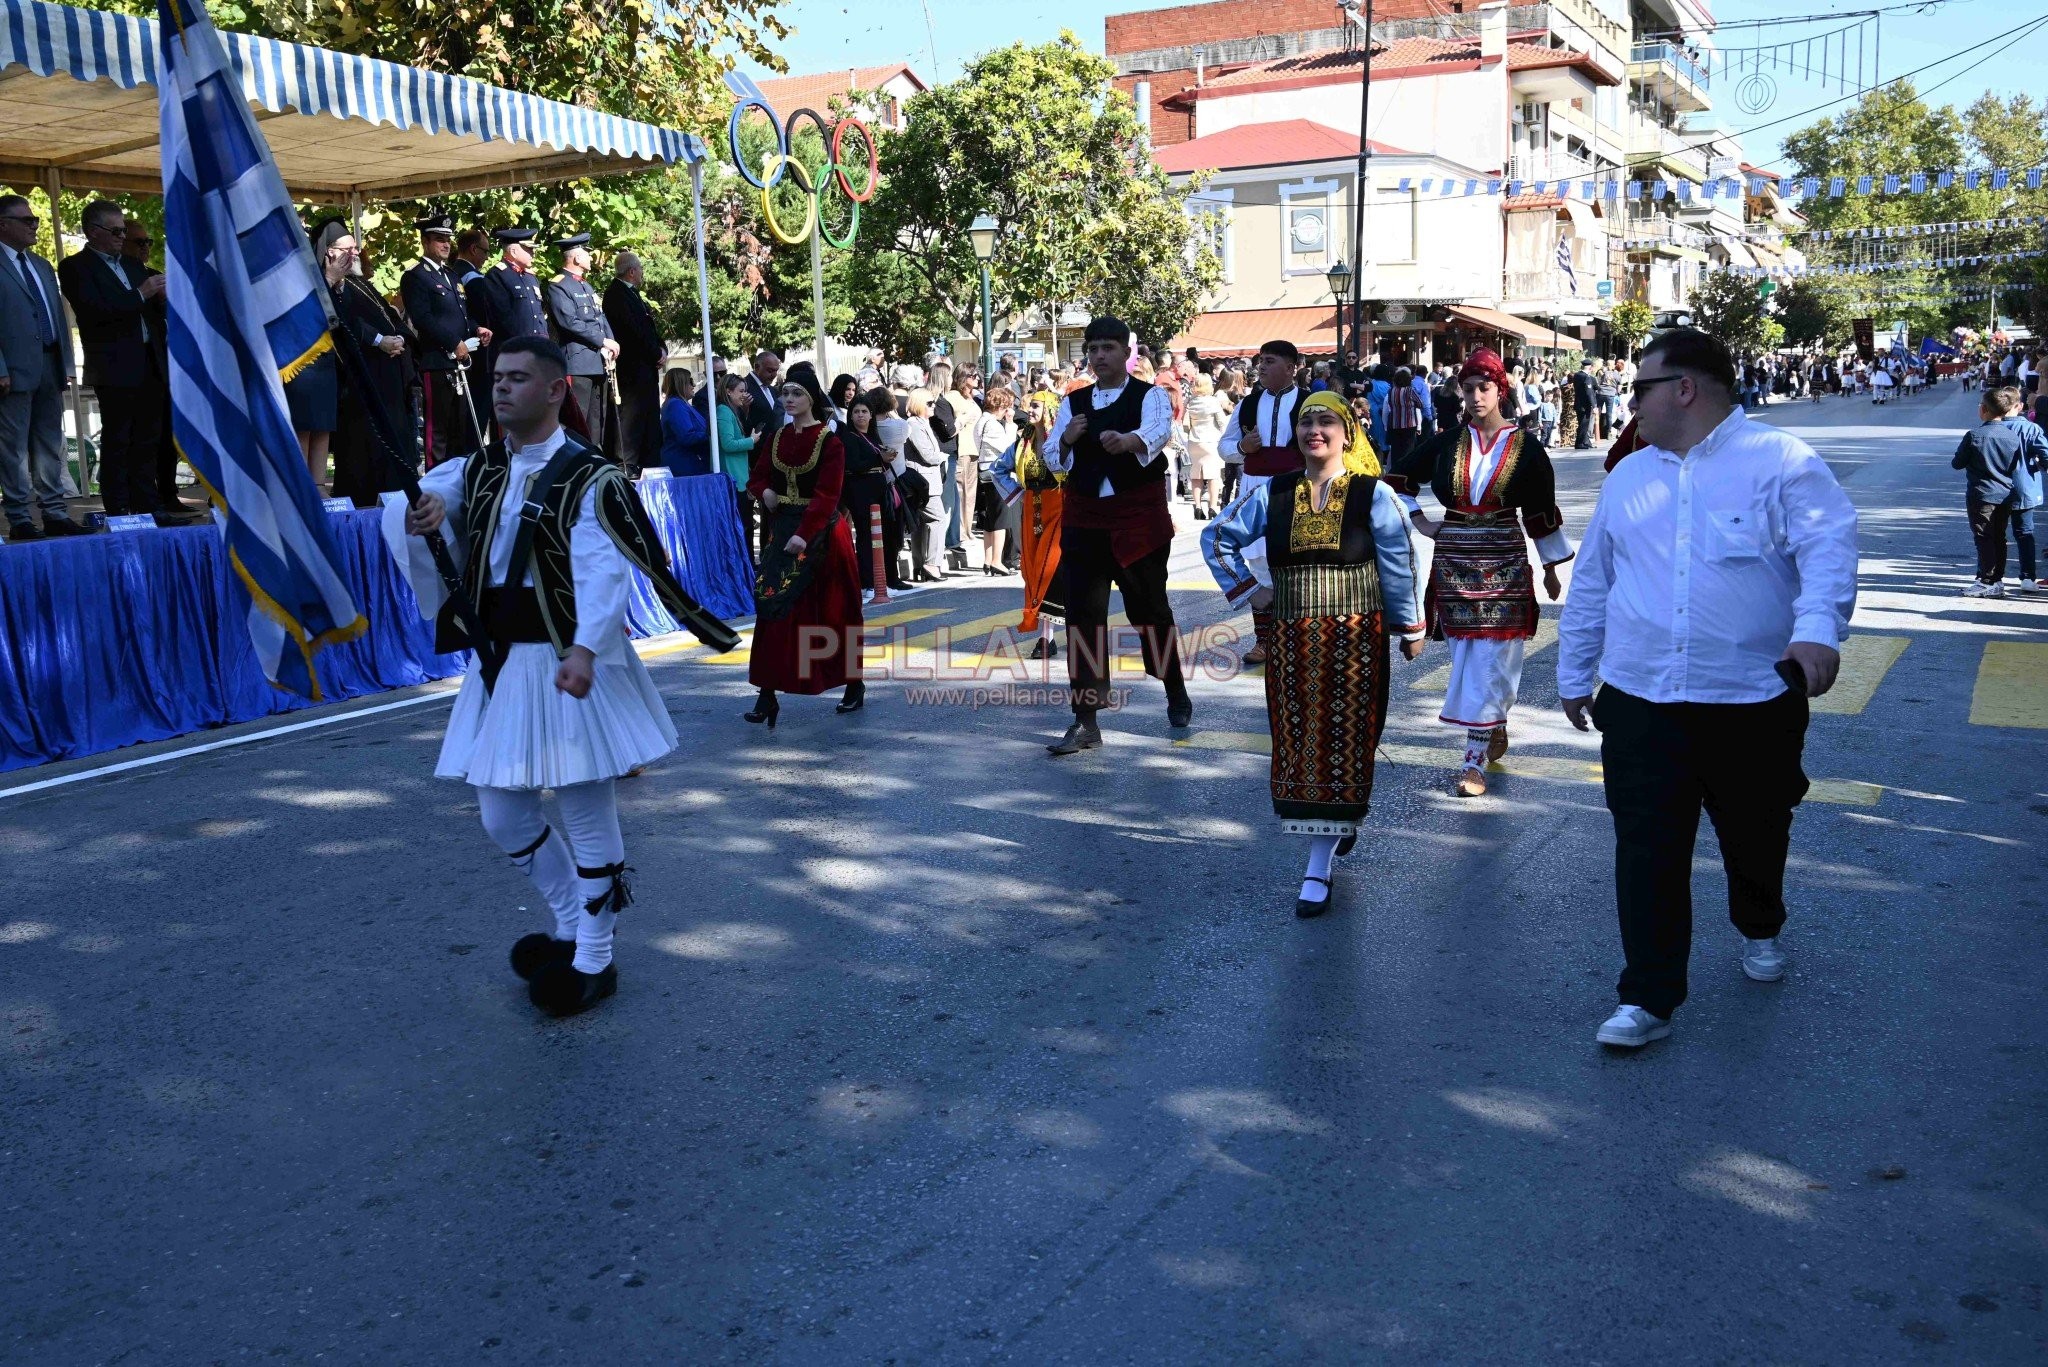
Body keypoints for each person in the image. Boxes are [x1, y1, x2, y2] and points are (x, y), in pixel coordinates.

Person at [384, 335, 721, 1018]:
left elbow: (604, 569)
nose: (502, 387)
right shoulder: (477, 469)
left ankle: (595, 956)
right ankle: (570, 918)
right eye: (497, 377)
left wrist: (589, 649)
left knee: (583, 804)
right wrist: (426, 515)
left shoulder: (589, 475)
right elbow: (429, 500)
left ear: (556, 389)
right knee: (501, 809)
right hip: (503, 663)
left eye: (517, 378)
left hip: (568, 658)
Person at [1557, 327, 1859, 1050]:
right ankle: (1648, 996)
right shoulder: (1630, 475)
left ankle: (1760, 922)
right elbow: (1594, 580)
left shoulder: (1781, 462)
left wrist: (1818, 627)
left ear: (1683, 389)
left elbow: (1829, 544)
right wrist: (1574, 670)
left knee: (1756, 833)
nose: (1630, 401)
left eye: (1641, 388)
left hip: (1751, 696)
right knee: (1646, 848)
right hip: (1640, 698)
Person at [1203, 390, 1427, 915]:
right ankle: (1319, 858)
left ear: (1347, 432)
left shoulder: (1373, 495)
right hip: (1293, 643)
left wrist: (1410, 626)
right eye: (1307, 422)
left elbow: (1399, 559)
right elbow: (1217, 537)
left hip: (1355, 643)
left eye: (1327, 421)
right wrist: (1248, 589)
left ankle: (1331, 837)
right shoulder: (1276, 493)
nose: (1315, 431)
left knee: (1349, 739)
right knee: (1303, 742)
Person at [1388, 348, 1572, 797]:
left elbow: (1541, 506)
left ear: (1500, 391)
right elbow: (1396, 481)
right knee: (1467, 659)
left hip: (1505, 562)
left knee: (1492, 659)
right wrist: (1420, 521)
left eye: (1483, 388)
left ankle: (1473, 763)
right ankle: (1492, 722)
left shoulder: (1526, 446)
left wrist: (1549, 566)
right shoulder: (1447, 441)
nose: (1474, 397)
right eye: (1467, 388)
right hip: (1454, 560)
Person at [1041, 315, 1194, 754]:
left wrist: (1130, 443)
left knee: (1151, 611)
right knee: (1081, 620)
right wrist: (1067, 440)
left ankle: (1175, 689)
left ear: (1128, 353)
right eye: (1093, 349)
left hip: (1137, 520)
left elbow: (1159, 431)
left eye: (1108, 348)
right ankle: (1085, 719)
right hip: (1085, 519)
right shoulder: (1074, 401)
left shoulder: (1150, 396)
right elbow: (1052, 455)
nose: (1100, 356)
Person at [743, 366, 865, 724]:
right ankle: (767, 694)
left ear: (811, 398)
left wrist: (804, 533)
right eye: (786, 394)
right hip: (783, 531)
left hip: (823, 535)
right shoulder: (777, 437)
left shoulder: (831, 442)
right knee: (773, 608)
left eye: (796, 394)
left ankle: (853, 684)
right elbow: (758, 476)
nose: (790, 400)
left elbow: (829, 494)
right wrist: (763, 490)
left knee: (834, 612)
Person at [59, 198, 167, 518]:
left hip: (150, 361)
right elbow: (94, 313)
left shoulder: (134, 266)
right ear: (93, 232)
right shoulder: (75, 267)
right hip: (115, 366)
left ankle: (148, 504)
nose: (122, 236)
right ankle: (118, 508)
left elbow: (150, 314)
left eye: (123, 230)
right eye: (116, 230)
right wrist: (141, 294)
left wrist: (163, 299)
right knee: (118, 440)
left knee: (148, 439)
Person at [1218, 340, 1310, 667]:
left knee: (1297, 563)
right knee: (1258, 565)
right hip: (1254, 488)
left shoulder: (1310, 402)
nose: (1262, 367)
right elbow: (1225, 447)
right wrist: (1242, 447)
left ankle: (1300, 639)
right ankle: (1264, 640)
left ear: (1292, 367)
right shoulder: (1248, 403)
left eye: (1270, 361)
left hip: (1297, 490)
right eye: (1261, 361)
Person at [0, 195, 83, 539]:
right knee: (13, 447)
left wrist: (66, 362)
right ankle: (20, 518)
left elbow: (58, 318)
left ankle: (55, 512)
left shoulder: (41, 265)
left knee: (50, 443)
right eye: (27, 220)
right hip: (13, 370)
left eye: (35, 220)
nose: (35, 225)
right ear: (3, 224)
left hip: (49, 365)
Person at [329, 231, 419, 506]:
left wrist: (400, 337)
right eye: (348, 249)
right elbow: (348, 324)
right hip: (364, 381)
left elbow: (392, 317)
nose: (355, 254)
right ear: (330, 252)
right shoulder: (335, 288)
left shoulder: (364, 285)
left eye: (356, 249)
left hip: (390, 379)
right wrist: (380, 341)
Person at [990, 380, 1069, 659]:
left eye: (1036, 405)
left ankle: (1057, 636)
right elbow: (996, 469)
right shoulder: (1022, 442)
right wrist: (1017, 495)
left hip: (1059, 509)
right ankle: (1046, 639)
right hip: (1031, 509)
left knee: (1052, 568)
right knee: (1033, 571)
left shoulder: (1062, 442)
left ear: (1049, 410)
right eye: (1030, 404)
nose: (1030, 409)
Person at [399, 211, 481, 468]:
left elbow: (460, 315)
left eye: (448, 239)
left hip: (460, 361)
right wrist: (453, 342)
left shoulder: (452, 276)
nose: (446, 244)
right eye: (438, 239)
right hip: (437, 361)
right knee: (439, 434)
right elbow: (422, 318)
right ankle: (436, 485)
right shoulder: (415, 276)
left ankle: (456, 480)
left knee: (459, 431)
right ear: (425, 242)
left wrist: (477, 330)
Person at [284, 219, 350, 492]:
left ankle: (318, 484)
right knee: (303, 426)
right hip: (300, 360)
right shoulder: (292, 271)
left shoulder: (329, 274)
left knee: (322, 425)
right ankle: (302, 487)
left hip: (326, 362)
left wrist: (337, 283)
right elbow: (306, 313)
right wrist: (330, 280)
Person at [1953, 386, 2038, 598]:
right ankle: (1996, 578)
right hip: (2006, 493)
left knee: (1983, 536)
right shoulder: (2012, 436)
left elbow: (1957, 463)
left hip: (1982, 493)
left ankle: (1988, 579)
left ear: (1983, 410)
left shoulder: (1974, 435)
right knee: (1999, 536)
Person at [544, 233, 618, 454]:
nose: (590, 256)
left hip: (597, 361)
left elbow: (600, 317)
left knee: (597, 419)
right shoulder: (559, 286)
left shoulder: (588, 286)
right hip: (577, 363)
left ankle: (594, 458)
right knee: (577, 418)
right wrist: (601, 340)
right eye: (586, 252)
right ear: (575, 258)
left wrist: (610, 341)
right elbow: (569, 322)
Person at [841, 387, 908, 593]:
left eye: (864, 411)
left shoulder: (872, 436)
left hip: (879, 491)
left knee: (883, 537)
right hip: (860, 493)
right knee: (865, 537)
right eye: (856, 411)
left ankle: (884, 580)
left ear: (871, 414)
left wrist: (886, 458)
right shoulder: (849, 437)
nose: (860, 415)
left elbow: (877, 462)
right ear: (850, 415)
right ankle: (868, 582)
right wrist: (880, 458)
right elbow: (854, 464)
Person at [603, 251, 664, 478]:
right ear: (631, 271)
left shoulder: (634, 295)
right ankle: (627, 466)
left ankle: (649, 464)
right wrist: (654, 352)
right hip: (631, 371)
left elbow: (649, 327)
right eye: (640, 269)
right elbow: (633, 331)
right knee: (630, 421)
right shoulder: (616, 295)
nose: (642, 273)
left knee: (647, 422)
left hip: (645, 371)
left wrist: (662, 349)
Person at [900, 387, 949, 582]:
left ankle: (920, 566)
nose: (933, 406)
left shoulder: (922, 423)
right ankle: (931, 564)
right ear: (919, 404)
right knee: (938, 519)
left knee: (921, 524)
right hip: (924, 482)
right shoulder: (914, 424)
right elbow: (928, 455)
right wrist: (942, 457)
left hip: (927, 481)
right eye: (929, 403)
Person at [972, 384, 1020, 575]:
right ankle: (996, 561)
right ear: (1001, 406)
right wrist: (1010, 424)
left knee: (990, 519)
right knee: (1001, 519)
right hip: (995, 473)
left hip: (983, 470)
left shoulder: (981, 421)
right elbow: (1007, 447)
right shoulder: (993, 424)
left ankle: (987, 559)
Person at [1184, 372, 1228, 518]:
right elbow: (1221, 422)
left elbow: (1185, 424)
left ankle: (1197, 507)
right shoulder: (1213, 401)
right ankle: (1212, 507)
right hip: (1210, 441)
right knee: (1213, 476)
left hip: (1194, 441)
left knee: (1196, 475)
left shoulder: (1190, 401)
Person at [658, 367, 710, 476]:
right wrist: (710, 435)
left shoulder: (681, 404)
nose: (694, 385)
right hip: (684, 466)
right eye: (690, 381)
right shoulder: (675, 404)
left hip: (689, 464)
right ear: (680, 384)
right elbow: (687, 436)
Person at [743, 350, 784, 442]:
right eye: (770, 370)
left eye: (776, 370)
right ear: (757, 367)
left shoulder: (772, 389)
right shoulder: (744, 387)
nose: (774, 375)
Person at [1570, 359, 1597, 449]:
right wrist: (1594, 405)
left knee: (1582, 423)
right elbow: (1589, 392)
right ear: (1590, 367)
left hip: (1578, 403)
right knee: (1584, 424)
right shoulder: (1586, 377)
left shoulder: (1577, 375)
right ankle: (1579, 443)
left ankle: (1586, 441)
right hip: (1585, 405)